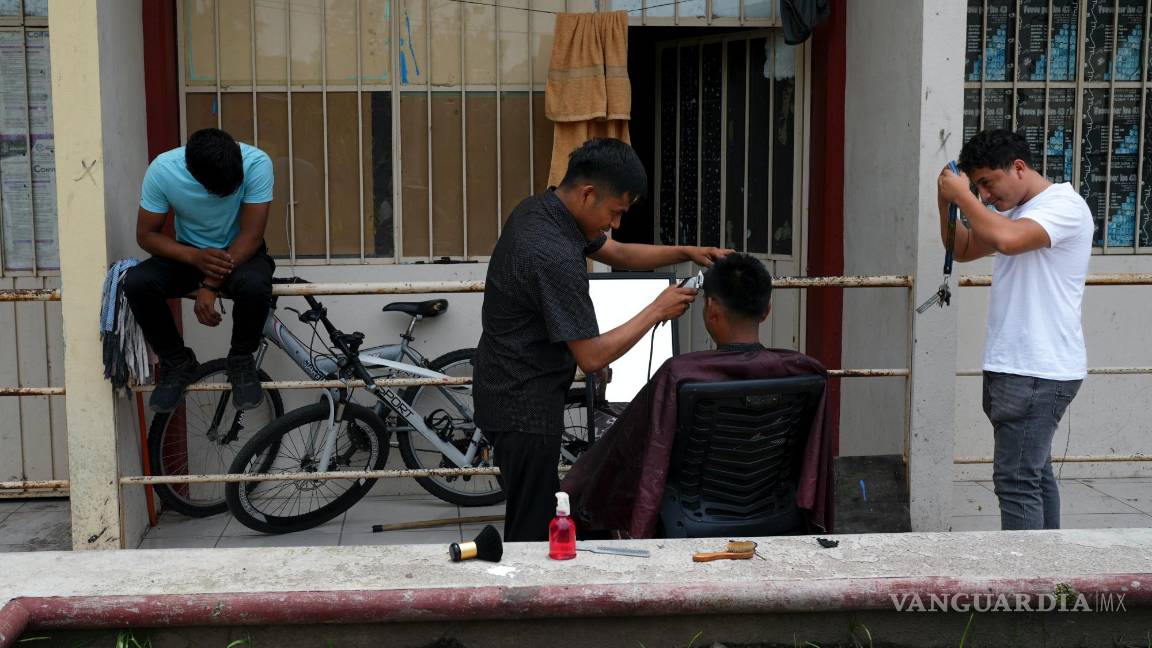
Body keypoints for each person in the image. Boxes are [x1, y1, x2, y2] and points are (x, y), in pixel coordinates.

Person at [475, 137, 729, 542]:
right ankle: (523, 599)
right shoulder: (551, 251)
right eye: (615, 212)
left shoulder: (544, 209)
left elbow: (620, 253)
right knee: (529, 529)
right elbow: (591, 357)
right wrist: (657, 309)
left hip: (506, 383)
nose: (616, 223)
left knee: (539, 513)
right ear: (588, 193)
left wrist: (688, 251)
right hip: (521, 404)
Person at [560, 253, 833, 538]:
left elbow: (621, 456)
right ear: (767, 310)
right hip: (775, 512)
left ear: (711, 309)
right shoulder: (805, 372)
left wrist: (574, 486)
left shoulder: (679, 375)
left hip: (690, 518)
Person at [937, 129, 1093, 530]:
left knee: (1016, 481)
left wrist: (964, 197)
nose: (985, 195)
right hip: (1016, 366)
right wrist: (947, 201)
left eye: (988, 183)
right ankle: (1051, 581)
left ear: (1019, 168)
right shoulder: (1013, 209)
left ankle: (1027, 584)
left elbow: (1007, 241)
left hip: (1039, 369)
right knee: (1034, 475)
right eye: (978, 186)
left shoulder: (1063, 206)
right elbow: (964, 248)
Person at [124, 128, 275, 414]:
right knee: (137, 283)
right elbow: (146, 235)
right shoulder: (163, 170)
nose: (229, 193)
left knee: (255, 286)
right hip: (190, 254)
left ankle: (241, 360)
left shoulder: (257, 163)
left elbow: (252, 235)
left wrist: (210, 285)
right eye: (220, 190)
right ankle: (177, 363)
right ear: (192, 173)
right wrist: (195, 257)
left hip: (242, 254)